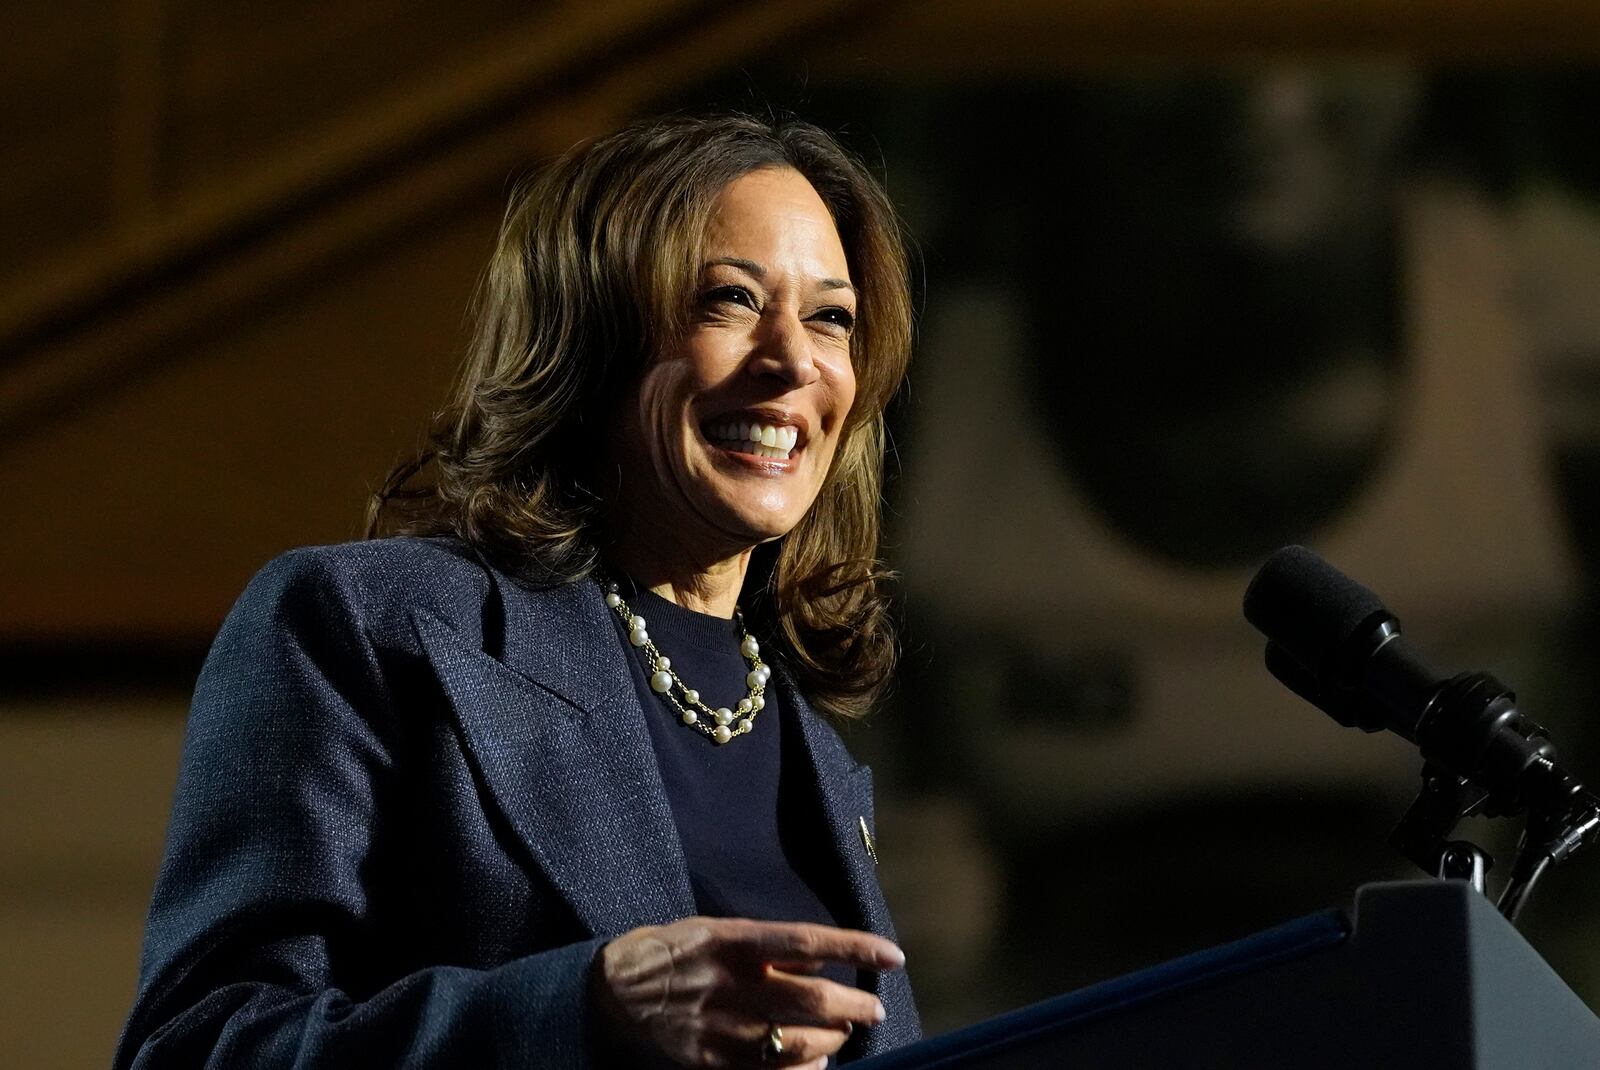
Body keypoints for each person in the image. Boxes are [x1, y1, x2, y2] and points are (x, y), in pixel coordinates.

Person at [114, 112, 920, 1069]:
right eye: (729, 301)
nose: (794, 361)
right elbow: (196, 1048)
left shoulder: (818, 759)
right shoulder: (363, 629)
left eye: (831, 318)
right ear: (592, 334)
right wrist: (585, 1009)